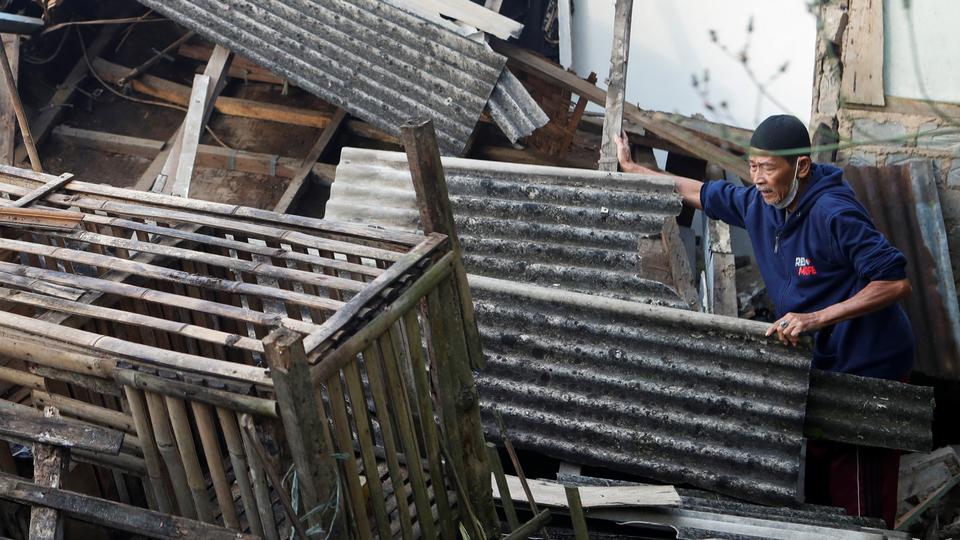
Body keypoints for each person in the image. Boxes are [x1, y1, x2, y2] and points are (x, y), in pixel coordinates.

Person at [615, 114, 914, 527]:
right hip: (820, 365)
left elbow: (894, 281)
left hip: (870, 366)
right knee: (817, 486)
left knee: (862, 504)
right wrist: (633, 169)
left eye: (769, 167)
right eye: (753, 166)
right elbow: (697, 191)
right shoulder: (760, 205)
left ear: (801, 167)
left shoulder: (833, 213)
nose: (757, 177)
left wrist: (816, 318)